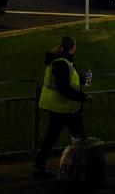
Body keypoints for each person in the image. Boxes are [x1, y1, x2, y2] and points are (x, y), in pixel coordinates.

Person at [34, 35, 92, 179]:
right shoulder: (62, 63)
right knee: (80, 138)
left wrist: (83, 80)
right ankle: (72, 168)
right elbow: (64, 89)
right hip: (64, 108)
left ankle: (40, 168)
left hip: (61, 108)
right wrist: (83, 97)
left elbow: (72, 79)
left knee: (51, 138)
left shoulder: (64, 60)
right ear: (73, 47)